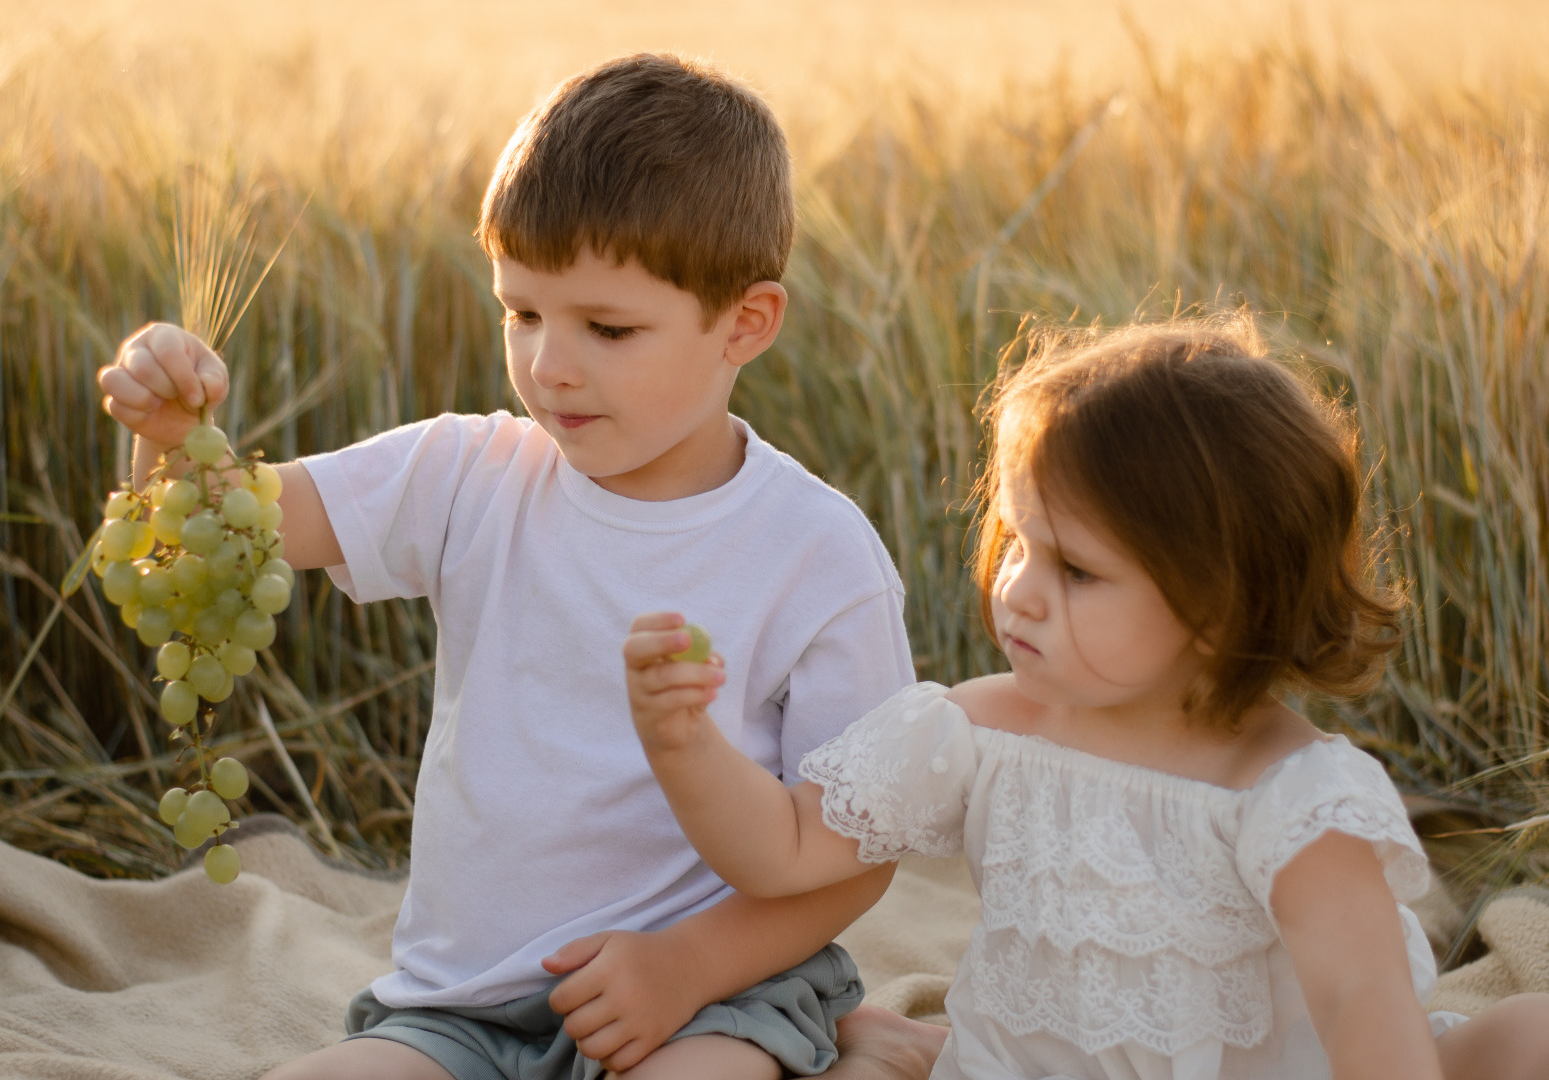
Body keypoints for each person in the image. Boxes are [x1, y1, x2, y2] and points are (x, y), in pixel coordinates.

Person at [97, 53, 920, 1080]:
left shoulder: (816, 553)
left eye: (606, 328)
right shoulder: (467, 473)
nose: (549, 365)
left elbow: (855, 851)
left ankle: (829, 1037)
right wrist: (167, 432)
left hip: (711, 996)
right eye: (521, 313)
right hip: (466, 1006)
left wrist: (686, 966)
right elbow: (200, 546)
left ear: (743, 324)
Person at [624, 316, 1549, 1080]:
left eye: (1075, 569)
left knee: (1518, 1040)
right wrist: (683, 741)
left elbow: (1361, 1008)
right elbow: (783, 849)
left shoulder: (1293, 800)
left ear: (1219, 606)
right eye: (1020, 540)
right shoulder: (981, 730)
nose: (1019, 587)